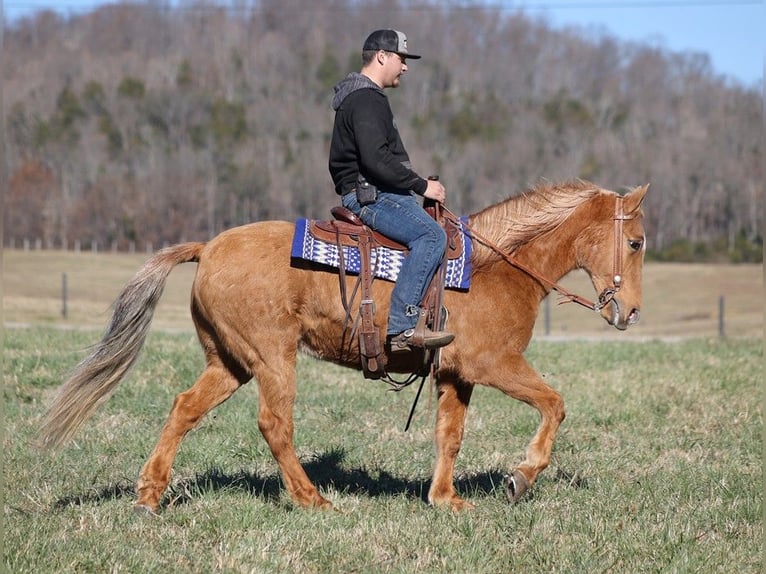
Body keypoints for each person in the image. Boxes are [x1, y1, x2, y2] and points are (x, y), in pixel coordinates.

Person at [328, 29, 454, 353]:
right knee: (432, 237)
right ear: (382, 56)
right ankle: (403, 326)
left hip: (375, 190)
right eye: (402, 58)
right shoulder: (366, 99)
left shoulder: (360, 98)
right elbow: (375, 159)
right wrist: (421, 185)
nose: (405, 67)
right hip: (369, 195)